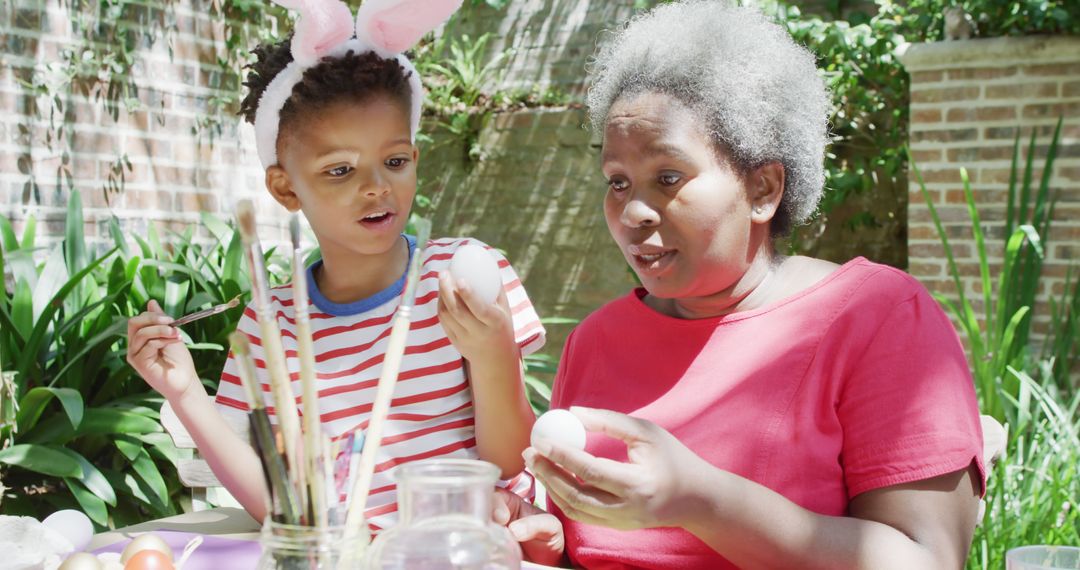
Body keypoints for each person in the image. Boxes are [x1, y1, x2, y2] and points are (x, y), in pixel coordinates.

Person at [494, 1, 985, 567]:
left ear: (763, 191)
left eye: (668, 177)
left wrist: (701, 500)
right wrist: (544, 543)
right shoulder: (596, 341)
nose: (633, 213)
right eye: (619, 182)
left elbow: (929, 560)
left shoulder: (878, 318)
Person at [126, 0, 544, 531]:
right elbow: (279, 507)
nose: (376, 186)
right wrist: (184, 392)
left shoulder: (461, 276)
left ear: (415, 159)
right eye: (340, 169)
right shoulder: (271, 325)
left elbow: (510, 462)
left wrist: (491, 353)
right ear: (284, 187)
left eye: (394, 161)